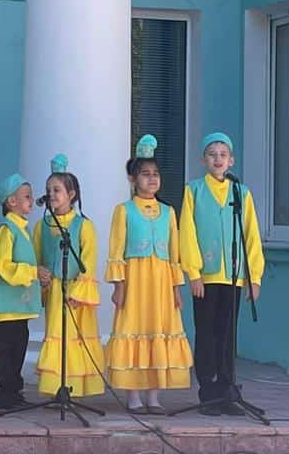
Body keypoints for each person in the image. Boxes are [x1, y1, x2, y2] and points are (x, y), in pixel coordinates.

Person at [104, 135, 193, 413]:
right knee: (135, 329)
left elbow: (174, 255)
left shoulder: (169, 212)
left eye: (155, 174)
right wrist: (119, 286)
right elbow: (116, 250)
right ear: (133, 179)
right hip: (136, 281)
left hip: (162, 283)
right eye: (145, 174)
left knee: (159, 331)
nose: (152, 179)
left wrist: (176, 289)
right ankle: (133, 397)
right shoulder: (124, 211)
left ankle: (154, 396)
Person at [178, 131, 264, 416]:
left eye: (223, 155)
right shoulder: (193, 191)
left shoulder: (241, 193)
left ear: (231, 161)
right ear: (203, 159)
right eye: (212, 154)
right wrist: (193, 272)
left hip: (234, 276)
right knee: (206, 333)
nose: (218, 159)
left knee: (227, 335)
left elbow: (251, 235)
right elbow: (187, 232)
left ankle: (227, 390)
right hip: (206, 277)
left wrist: (253, 277)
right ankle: (208, 391)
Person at [33, 153, 105, 398]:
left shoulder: (84, 226)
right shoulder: (41, 226)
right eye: (48, 190)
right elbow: (36, 257)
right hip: (54, 290)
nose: (51, 195)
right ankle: (56, 389)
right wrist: (39, 273)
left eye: (57, 190)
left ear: (71, 194)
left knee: (75, 338)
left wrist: (79, 292)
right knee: (56, 335)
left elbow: (89, 262)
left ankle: (74, 389)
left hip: (76, 292)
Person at [0, 173, 40, 412]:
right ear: (11, 201)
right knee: (4, 352)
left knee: (18, 349)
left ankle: (14, 392)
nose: (32, 200)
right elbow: (2, 265)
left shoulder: (23, 230)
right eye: (27, 196)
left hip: (19, 307)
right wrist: (32, 272)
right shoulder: (6, 230)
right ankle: (3, 395)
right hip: (5, 307)